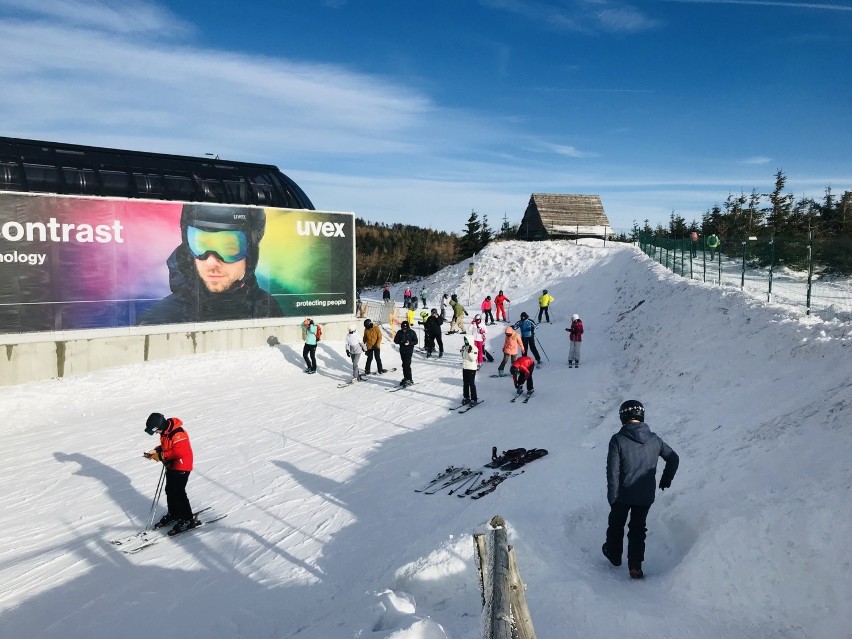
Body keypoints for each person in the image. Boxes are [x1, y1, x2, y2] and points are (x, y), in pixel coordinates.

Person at [137, 204, 283, 325]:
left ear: (251, 253)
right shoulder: (158, 321)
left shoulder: (266, 307)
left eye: (228, 247)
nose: (211, 262)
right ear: (187, 246)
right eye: (200, 245)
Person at [603, 400, 679, 580]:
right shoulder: (655, 440)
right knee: (638, 528)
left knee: (616, 524)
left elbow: (612, 471)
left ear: (623, 416)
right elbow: (673, 458)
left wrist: (612, 496)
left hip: (622, 493)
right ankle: (635, 566)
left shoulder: (618, 439)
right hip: (645, 494)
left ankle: (614, 555)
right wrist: (666, 479)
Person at [143, 412, 197, 535]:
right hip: (172, 465)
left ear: (160, 427)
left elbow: (179, 452)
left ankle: (188, 519)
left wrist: (161, 456)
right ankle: (174, 514)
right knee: (169, 490)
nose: (156, 433)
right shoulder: (165, 432)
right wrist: (156, 451)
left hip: (182, 465)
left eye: (156, 431)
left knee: (178, 493)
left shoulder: (178, 433)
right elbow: (166, 446)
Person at [394, 320, 418, 387]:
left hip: (409, 351)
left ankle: (410, 379)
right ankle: (406, 377)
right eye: (403, 329)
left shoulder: (412, 332)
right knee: (404, 365)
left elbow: (416, 341)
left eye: (405, 329)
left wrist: (409, 343)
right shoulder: (399, 332)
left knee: (407, 365)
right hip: (402, 350)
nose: (404, 330)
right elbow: (395, 340)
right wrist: (401, 341)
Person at [460, 335, 479, 406]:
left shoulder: (474, 348)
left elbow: (473, 359)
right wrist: (462, 351)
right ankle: (466, 397)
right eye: (465, 340)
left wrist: (469, 351)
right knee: (465, 383)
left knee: (471, 384)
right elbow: (463, 357)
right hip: (465, 367)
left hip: (471, 368)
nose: (465, 342)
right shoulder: (465, 347)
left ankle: (474, 399)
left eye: (467, 340)